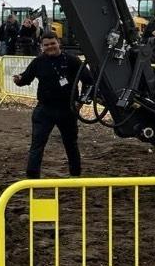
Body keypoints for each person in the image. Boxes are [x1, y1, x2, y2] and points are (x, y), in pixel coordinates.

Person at [12, 32, 94, 179]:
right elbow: (25, 79)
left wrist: (80, 102)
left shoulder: (73, 60)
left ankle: (75, 175)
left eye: (52, 43)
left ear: (59, 43)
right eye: (46, 45)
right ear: (42, 47)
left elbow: (89, 82)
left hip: (67, 110)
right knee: (37, 145)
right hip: (45, 110)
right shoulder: (38, 62)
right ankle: (32, 178)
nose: (50, 47)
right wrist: (18, 80)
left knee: (71, 144)